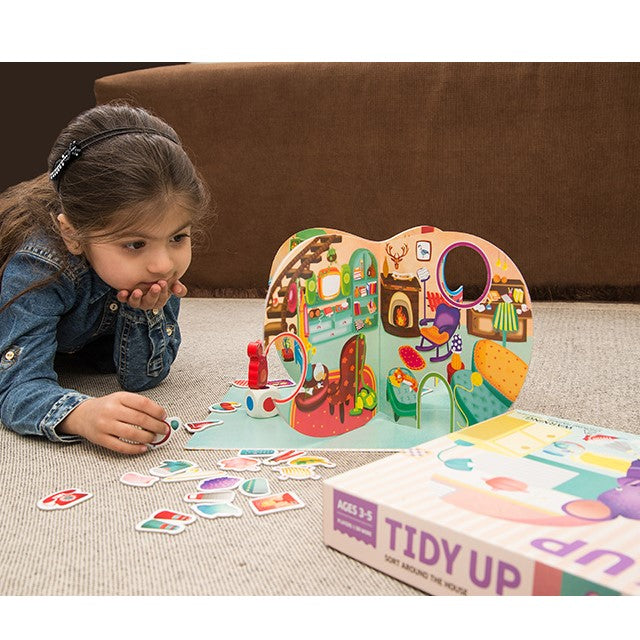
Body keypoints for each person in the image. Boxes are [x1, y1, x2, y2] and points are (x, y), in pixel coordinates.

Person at [0, 103, 210, 454]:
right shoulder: (40, 266)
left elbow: (143, 377)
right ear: (73, 235)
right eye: (135, 244)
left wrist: (145, 312)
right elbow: (16, 385)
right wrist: (80, 414)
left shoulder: (152, 272)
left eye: (178, 237)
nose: (162, 264)